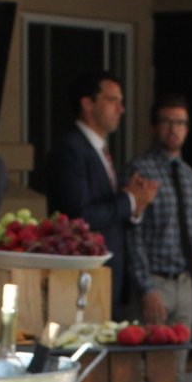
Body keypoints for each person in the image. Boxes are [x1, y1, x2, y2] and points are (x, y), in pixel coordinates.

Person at [46, 71, 159, 317]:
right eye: (112, 100)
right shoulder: (71, 149)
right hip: (83, 280)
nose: (121, 109)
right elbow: (80, 215)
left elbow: (111, 211)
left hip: (110, 276)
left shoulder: (101, 150)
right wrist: (129, 200)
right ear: (88, 103)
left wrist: (135, 206)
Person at [128, 93, 192, 328]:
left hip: (184, 282)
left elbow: (188, 233)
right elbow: (132, 234)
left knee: (179, 362)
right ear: (154, 127)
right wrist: (146, 289)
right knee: (151, 361)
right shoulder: (141, 170)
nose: (174, 129)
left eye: (181, 123)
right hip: (154, 281)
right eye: (167, 122)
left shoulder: (189, 176)